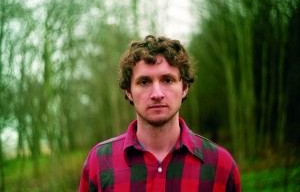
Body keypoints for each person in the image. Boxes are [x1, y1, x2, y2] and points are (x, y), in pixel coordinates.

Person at [79, 35, 241, 192]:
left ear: (184, 88)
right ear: (129, 91)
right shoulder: (100, 162)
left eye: (167, 80)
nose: (157, 94)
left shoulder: (221, 165)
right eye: (144, 82)